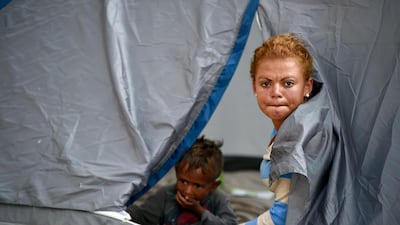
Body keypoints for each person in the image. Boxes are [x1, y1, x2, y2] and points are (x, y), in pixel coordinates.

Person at [241, 33, 338, 225]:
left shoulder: (302, 136)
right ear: (254, 87)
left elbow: (285, 218)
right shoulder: (286, 125)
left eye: (288, 83)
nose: (276, 93)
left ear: (307, 86)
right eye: (265, 83)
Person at [127, 135, 238, 225]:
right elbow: (143, 217)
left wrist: (199, 211)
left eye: (197, 186)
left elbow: (230, 223)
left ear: (213, 186)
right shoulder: (167, 193)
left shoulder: (218, 199)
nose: (188, 191)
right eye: (183, 181)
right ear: (176, 173)